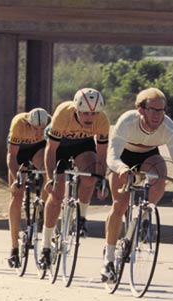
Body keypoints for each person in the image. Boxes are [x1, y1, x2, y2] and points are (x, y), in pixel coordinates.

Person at [102, 87, 173, 281]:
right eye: (153, 110)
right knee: (120, 204)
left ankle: (144, 216)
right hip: (123, 158)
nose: (158, 115)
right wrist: (122, 169)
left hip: (149, 156)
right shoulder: (127, 121)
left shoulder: (169, 128)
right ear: (141, 110)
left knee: (161, 172)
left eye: (162, 110)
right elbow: (112, 155)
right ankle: (108, 259)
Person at [39, 88, 110, 268]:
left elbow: (101, 155)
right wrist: (50, 178)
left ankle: (81, 218)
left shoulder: (102, 121)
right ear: (76, 109)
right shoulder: (64, 113)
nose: (89, 118)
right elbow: (51, 150)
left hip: (82, 144)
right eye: (85, 113)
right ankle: (45, 245)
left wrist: (101, 179)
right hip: (59, 145)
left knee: (90, 176)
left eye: (93, 113)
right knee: (56, 195)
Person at [6, 107, 50, 268]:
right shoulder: (19, 123)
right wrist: (16, 176)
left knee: (47, 170)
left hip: (38, 150)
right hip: (19, 152)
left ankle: (43, 208)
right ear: (28, 124)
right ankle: (14, 247)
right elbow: (11, 155)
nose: (39, 133)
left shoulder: (50, 123)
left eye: (42, 129)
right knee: (16, 193)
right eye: (35, 129)